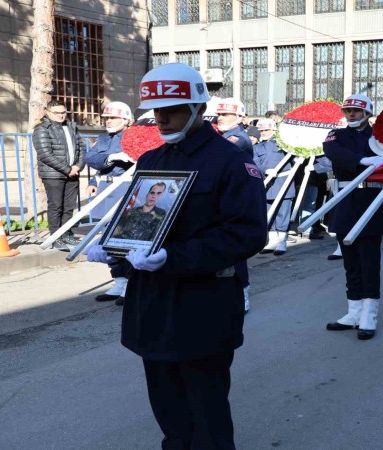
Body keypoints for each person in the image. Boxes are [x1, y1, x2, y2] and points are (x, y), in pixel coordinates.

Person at [86, 62, 267, 449]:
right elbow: (140, 221)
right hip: (153, 301)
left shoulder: (231, 161)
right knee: (167, 406)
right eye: (157, 112)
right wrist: (114, 249)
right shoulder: (152, 160)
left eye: (173, 110)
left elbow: (247, 233)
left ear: (199, 108)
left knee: (206, 409)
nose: (162, 119)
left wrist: (174, 257)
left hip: (203, 302)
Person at [323, 94, 383, 340]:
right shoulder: (336, 135)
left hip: (371, 199)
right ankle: (354, 312)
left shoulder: (380, 136)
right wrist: (362, 160)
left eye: (356, 111)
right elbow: (332, 151)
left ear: (367, 113)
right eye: (347, 110)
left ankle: (369, 316)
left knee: (369, 261)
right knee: (350, 260)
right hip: (345, 199)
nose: (351, 114)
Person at [85, 101, 135, 304]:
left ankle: (131, 283)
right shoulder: (103, 139)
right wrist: (113, 157)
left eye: (113, 118)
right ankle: (119, 282)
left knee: (125, 239)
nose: (109, 121)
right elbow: (91, 159)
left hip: (125, 188)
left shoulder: (134, 136)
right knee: (108, 238)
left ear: (126, 119)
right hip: (106, 189)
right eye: (107, 118)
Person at [215, 97, 255, 311]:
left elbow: (216, 154)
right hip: (221, 198)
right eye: (219, 114)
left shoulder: (238, 138)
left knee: (235, 249)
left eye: (226, 114)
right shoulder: (222, 136)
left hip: (235, 200)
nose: (220, 118)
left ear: (239, 118)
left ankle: (243, 292)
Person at [33, 99, 86, 250]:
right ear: (47, 112)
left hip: (73, 173)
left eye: (63, 112)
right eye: (57, 113)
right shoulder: (42, 129)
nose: (61, 115)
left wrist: (78, 166)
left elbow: (81, 148)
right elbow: (45, 154)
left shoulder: (71, 126)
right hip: (53, 175)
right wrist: (67, 169)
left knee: (69, 207)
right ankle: (55, 238)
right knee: (56, 206)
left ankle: (66, 235)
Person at [254, 118, 294, 256]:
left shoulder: (283, 144)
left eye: (267, 130)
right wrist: (265, 170)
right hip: (266, 183)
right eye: (261, 130)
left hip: (283, 182)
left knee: (283, 213)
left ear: (273, 130)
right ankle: (272, 241)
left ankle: (282, 241)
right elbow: (255, 162)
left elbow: (294, 158)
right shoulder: (257, 147)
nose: (263, 132)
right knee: (268, 212)